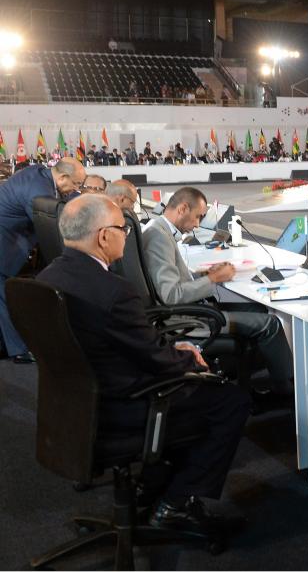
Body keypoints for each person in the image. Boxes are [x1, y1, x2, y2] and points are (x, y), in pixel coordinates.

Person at [36, 194, 250, 534]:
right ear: (103, 236)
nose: (126, 236)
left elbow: (120, 343)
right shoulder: (113, 291)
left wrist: (168, 350)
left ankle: (152, 486)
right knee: (230, 401)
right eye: (122, 229)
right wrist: (189, 357)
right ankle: (175, 505)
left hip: (71, 406)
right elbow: (157, 360)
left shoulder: (47, 278)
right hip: (121, 406)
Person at [140, 187, 294, 395]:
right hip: (186, 320)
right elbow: (171, 295)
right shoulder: (159, 237)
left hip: (189, 311)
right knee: (271, 324)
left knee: (256, 309)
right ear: (183, 208)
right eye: (197, 217)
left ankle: (253, 383)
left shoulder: (158, 229)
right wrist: (213, 279)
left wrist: (206, 276)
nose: (197, 225)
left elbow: (171, 282)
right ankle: (286, 392)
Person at [0, 157, 84, 362]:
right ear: (63, 177)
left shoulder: (41, 174)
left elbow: (64, 201)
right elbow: (52, 231)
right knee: (3, 296)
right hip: (5, 243)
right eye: (75, 184)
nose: (76, 189)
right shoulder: (38, 191)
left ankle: (13, 347)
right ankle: (19, 351)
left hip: (10, 241)